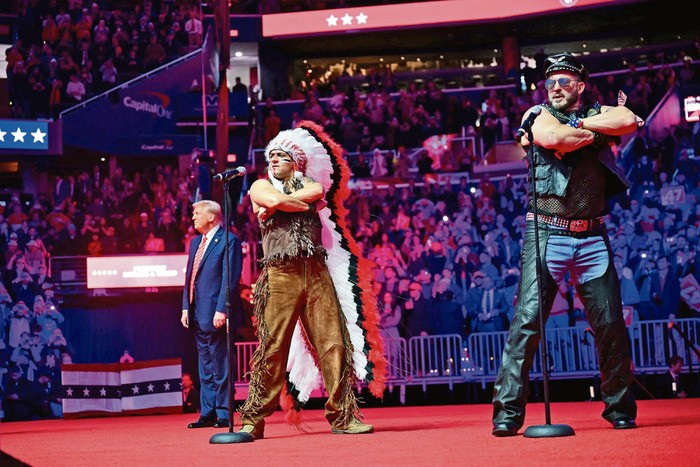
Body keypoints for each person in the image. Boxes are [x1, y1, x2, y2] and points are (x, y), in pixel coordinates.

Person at [491, 53, 641, 436]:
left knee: (609, 324)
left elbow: (627, 119)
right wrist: (595, 130)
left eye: (563, 82)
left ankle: (619, 408)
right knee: (527, 322)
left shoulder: (590, 111)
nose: (555, 88)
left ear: (580, 85)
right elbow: (552, 137)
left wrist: (579, 125)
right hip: (547, 231)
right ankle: (508, 414)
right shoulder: (535, 114)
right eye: (550, 82)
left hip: (592, 233)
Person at [236, 121, 386, 441]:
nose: (273, 160)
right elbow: (271, 199)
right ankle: (253, 418)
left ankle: (343, 416)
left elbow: (307, 195)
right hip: (280, 273)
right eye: (271, 156)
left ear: (297, 162)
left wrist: (280, 203)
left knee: (333, 343)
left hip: (316, 272)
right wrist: (287, 201)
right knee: (273, 346)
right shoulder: (260, 186)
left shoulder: (314, 186)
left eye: (281, 156)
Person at [181, 199, 243, 429]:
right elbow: (190, 277)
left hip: (217, 314)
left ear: (211, 216)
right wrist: (185, 307)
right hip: (197, 313)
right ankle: (207, 412)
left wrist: (222, 309)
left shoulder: (229, 240)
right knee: (205, 366)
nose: (193, 217)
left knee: (221, 365)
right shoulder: (195, 242)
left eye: (197, 213)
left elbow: (230, 278)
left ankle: (224, 414)